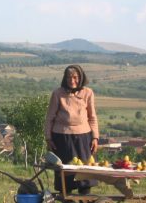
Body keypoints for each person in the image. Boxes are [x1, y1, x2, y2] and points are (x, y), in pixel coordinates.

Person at [44, 64, 99, 196]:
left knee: (85, 173)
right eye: (69, 77)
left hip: (84, 138)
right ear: (65, 78)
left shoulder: (88, 93)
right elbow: (49, 118)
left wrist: (95, 137)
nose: (72, 80)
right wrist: (48, 138)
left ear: (80, 78)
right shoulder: (58, 94)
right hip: (62, 138)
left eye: (75, 77)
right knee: (65, 174)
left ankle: (85, 197)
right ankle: (66, 198)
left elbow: (92, 116)